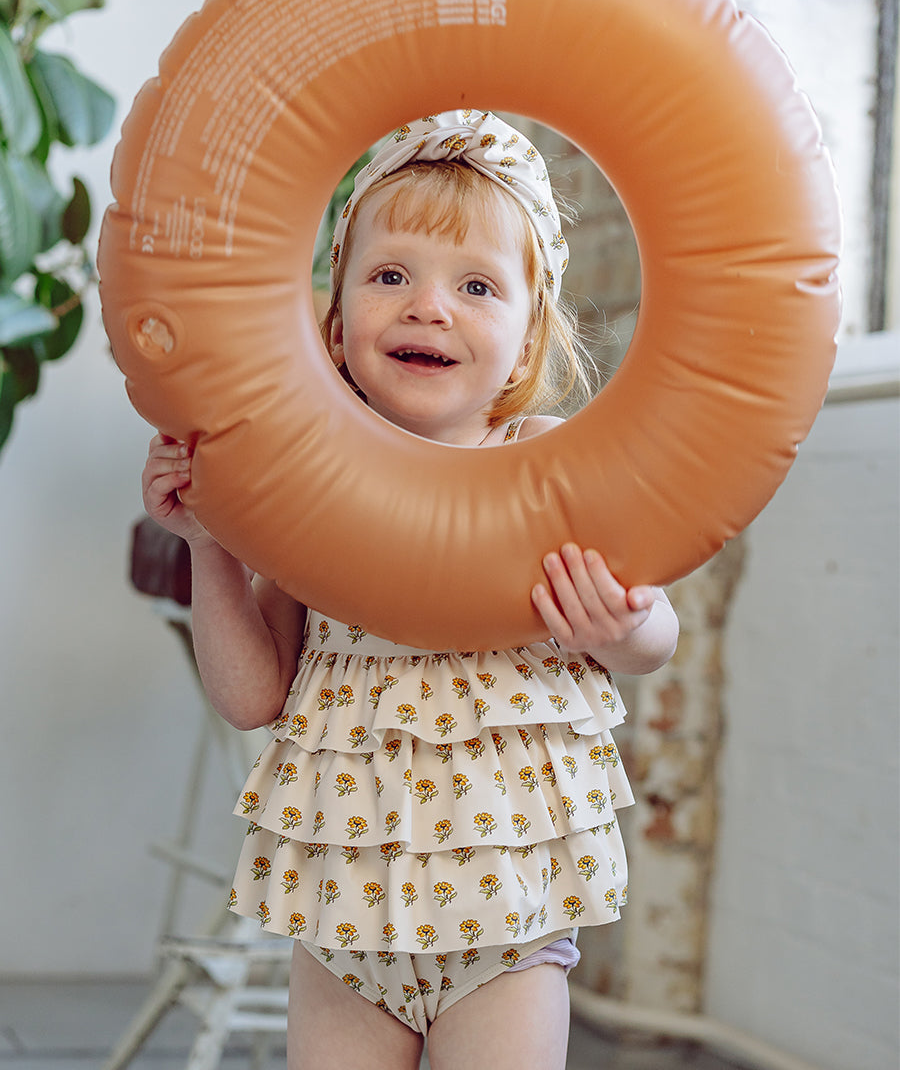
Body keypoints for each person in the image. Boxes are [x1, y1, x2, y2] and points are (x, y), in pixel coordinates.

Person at [142, 110, 679, 1070]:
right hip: (345, 919)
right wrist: (209, 548)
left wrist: (622, 626)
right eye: (391, 275)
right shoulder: (313, 485)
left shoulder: (548, 468)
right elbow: (252, 695)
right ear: (336, 321)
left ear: (526, 341)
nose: (428, 306)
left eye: (476, 286)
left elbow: (654, 637)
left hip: (505, 926)